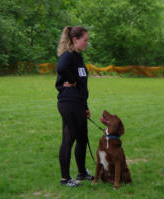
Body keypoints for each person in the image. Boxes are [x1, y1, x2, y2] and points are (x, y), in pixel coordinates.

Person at [55, 26, 94, 187]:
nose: (87, 43)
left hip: (77, 102)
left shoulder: (78, 57)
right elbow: (61, 68)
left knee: (83, 139)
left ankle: (82, 173)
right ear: (75, 40)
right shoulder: (69, 56)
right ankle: (65, 179)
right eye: (85, 40)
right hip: (68, 102)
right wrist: (72, 80)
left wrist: (85, 105)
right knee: (68, 139)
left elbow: (82, 85)